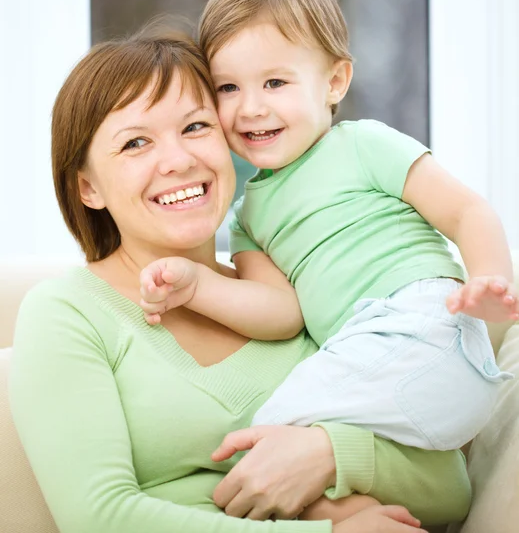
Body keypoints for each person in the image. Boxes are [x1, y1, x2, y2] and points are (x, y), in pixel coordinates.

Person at [8, 29, 472, 533]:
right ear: (87, 186)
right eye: (136, 142)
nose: (180, 160)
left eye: (196, 126)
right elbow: (99, 518)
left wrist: (327, 454)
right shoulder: (67, 311)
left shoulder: (295, 297)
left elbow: (450, 488)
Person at [140, 0, 516, 456]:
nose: (250, 107)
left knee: (268, 433)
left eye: (275, 83)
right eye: (228, 88)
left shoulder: (362, 145)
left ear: (335, 82)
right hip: (371, 361)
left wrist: (491, 285)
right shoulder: (249, 215)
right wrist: (197, 285)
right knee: (289, 447)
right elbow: (282, 313)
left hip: (424, 322)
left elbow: (467, 212)